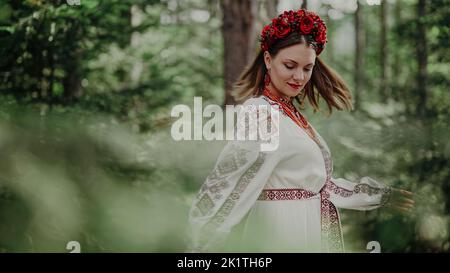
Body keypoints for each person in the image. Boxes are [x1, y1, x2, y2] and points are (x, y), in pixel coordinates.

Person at [187, 8, 414, 253]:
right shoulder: (262, 113)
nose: (299, 76)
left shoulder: (290, 116)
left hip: (307, 228)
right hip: (281, 231)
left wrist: (380, 195)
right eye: (290, 65)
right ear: (267, 60)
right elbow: (226, 183)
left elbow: (322, 187)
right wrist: (196, 248)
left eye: (307, 68)